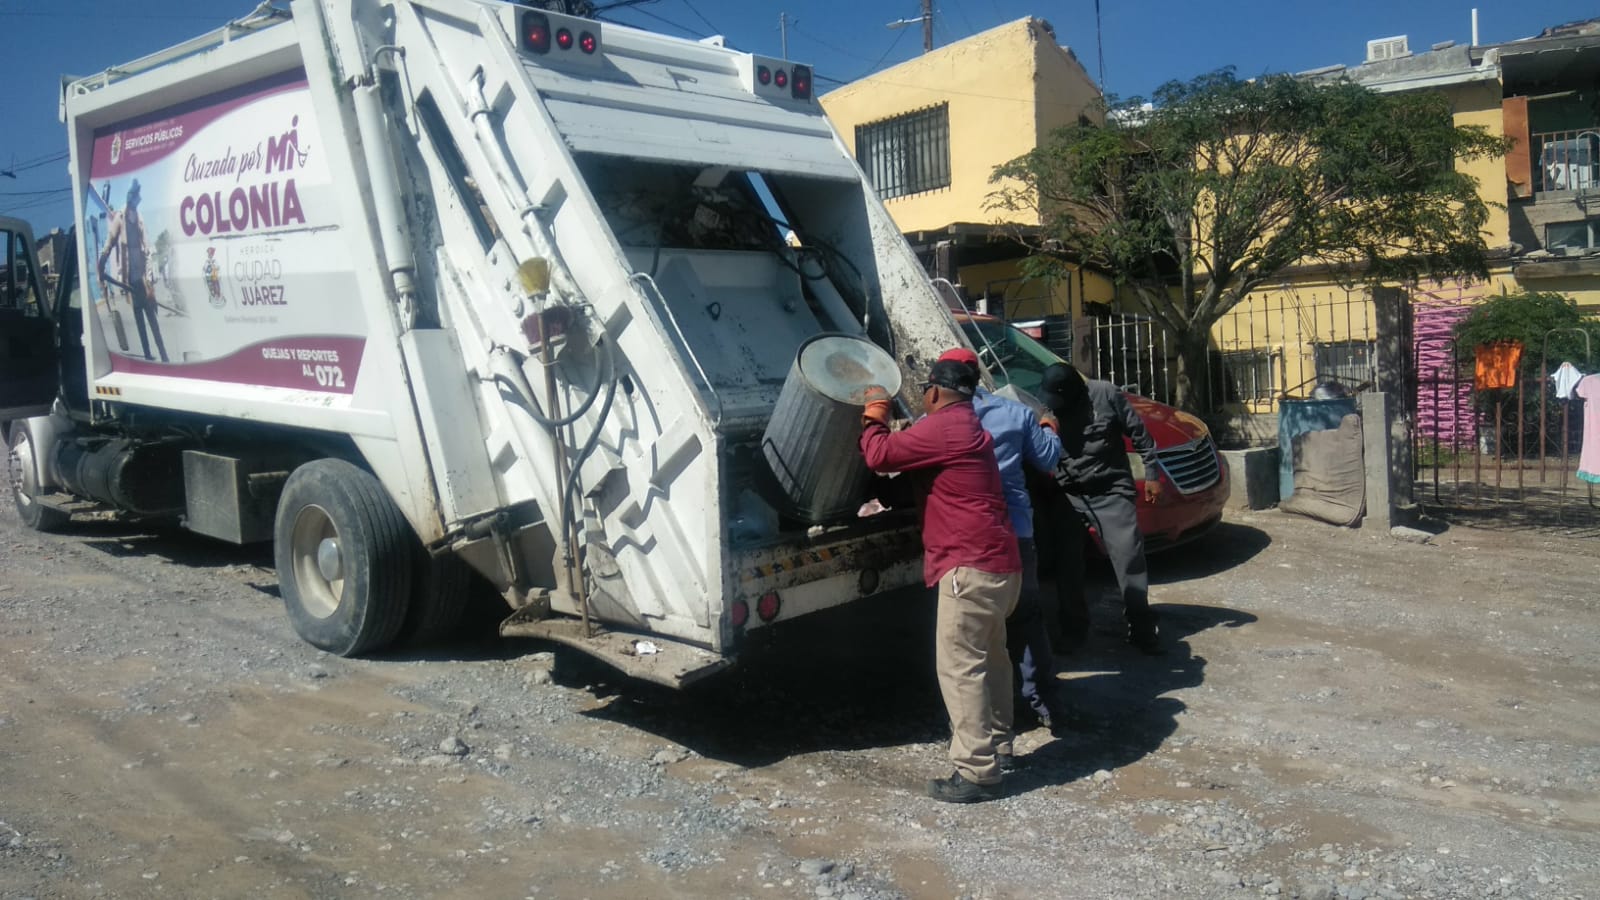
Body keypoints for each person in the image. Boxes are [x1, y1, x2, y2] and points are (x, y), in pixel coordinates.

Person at [859, 359, 1022, 803]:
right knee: (992, 659)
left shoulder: (945, 427)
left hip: (968, 568)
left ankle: (977, 773)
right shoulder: (967, 424)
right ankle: (1000, 747)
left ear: (933, 392)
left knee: (960, 668)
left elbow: (879, 456)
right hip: (999, 564)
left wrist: (875, 413)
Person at [937, 348, 1072, 734]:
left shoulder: (939, 421)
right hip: (1017, 533)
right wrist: (1049, 425)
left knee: (973, 638)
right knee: (1027, 619)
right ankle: (1045, 703)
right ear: (977, 375)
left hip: (970, 541)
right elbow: (1048, 459)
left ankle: (983, 722)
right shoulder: (1015, 413)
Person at [1037, 362, 1164, 655]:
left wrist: (1153, 475)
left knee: (1129, 553)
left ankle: (1140, 624)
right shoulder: (1046, 408)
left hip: (1111, 488)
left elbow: (1141, 436)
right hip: (1069, 493)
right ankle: (1073, 628)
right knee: (1067, 562)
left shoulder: (1106, 394)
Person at [97, 179, 168, 363]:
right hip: (131, 281)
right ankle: (147, 353)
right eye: (134, 200)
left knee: (152, 318)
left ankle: (164, 354)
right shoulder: (120, 217)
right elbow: (110, 242)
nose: (135, 205)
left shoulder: (139, 217)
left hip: (143, 280)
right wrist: (102, 261)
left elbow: (147, 245)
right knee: (139, 319)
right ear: (130, 200)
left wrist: (150, 278)